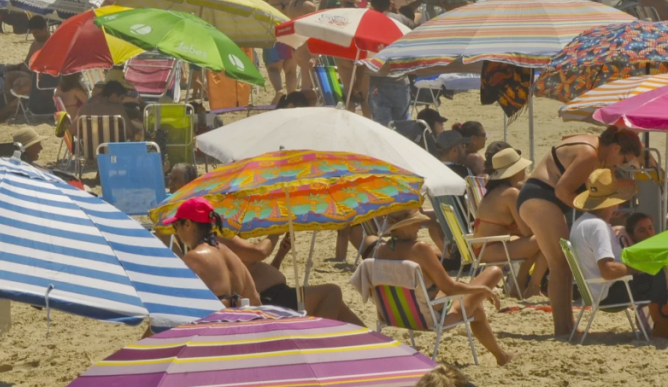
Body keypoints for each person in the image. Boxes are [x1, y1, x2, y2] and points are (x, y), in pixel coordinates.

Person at [518, 126, 642, 337]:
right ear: (615, 148)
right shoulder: (589, 154)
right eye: (623, 161)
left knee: (564, 266)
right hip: (540, 196)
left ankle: (568, 326)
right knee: (559, 264)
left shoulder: (595, 149)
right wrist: (592, 211)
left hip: (542, 196)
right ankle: (562, 329)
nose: (620, 166)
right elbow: (561, 190)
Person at [362, 209, 513, 365]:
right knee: (493, 272)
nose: (420, 226)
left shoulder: (380, 251)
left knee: (476, 307)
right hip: (428, 318)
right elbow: (451, 289)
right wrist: (484, 290)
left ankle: (502, 356)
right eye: (415, 223)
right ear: (402, 227)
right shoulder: (419, 248)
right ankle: (502, 357)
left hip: (393, 316)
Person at [569, 169, 667, 312]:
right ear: (611, 203)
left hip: (595, 293)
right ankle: (662, 325)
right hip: (610, 295)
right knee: (660, 272)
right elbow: (608, 271)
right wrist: (642, 266)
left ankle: (657, 323)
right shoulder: (598, 226)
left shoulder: (581, 222)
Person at [223, 232, 364, 322]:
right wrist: (275, 231)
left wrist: (281, 254)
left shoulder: (229, 238)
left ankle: (372, 344)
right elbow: (260, 252)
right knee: (332, 292)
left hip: (276, 294)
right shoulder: (223, 237)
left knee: (339, 308)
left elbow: (256, 274)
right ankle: (317, 348)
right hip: (270, 298)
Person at [471, 147, 548, 297]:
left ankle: (519, 284)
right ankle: (532, 286)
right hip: (492, 249)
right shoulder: (511, 193)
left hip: (483, 247)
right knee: (547, 237)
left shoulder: (495, 191)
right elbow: (527, 231)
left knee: (537, 241)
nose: (525, 169)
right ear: (513, 171)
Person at [165, 197, 260, 307]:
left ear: (187, 224)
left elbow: (179, 303)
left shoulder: (193, 258)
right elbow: (255, 301)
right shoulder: (231, 255)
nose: (176, 232)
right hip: (238, 321)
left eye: (175, 226)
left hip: (213, 322)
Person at [367, 0, 410, 126]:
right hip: (401, 80)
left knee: (383, 130)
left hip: (378, 81)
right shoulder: (402, 20)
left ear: (372, 4)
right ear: (389, 3)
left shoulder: (368, 21)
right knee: (402, 128)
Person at [258, 0, 297, 103]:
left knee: (273, 68)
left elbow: (257, 8)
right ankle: (292, 96)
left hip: (275, 33)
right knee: (291, 69)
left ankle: (279, 90)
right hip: (292, 33)